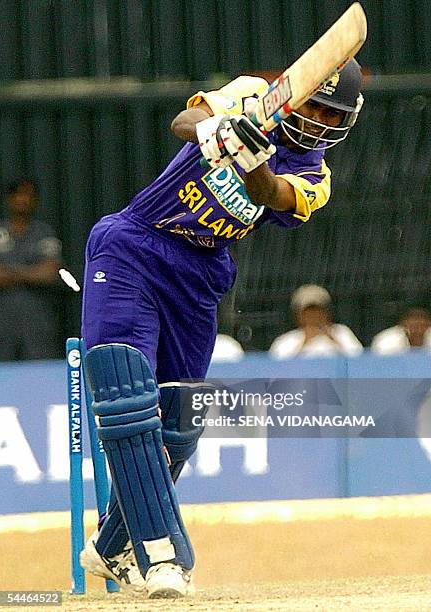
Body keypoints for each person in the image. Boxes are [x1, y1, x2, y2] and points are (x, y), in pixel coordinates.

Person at [79, 60, 364, 598]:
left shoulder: (316, 173)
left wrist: (251, 157)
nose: (321, 119)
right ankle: (165, 556)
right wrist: (220, 129)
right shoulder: (255, 94)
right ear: (293, 94)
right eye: (314, 105)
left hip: (201, 271)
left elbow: (272, 197)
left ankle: (111, 544)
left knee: (180, 420)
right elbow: (184, 124)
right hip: (135, 245)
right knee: (124, 392)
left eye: (334, 113)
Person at [0, 179, 62, 361]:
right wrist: (30, 272)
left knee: (41, 375)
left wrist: (10, 272)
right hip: (3, 325)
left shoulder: (44, 233)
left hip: (37, 324)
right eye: (18, 194)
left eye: (28, 195)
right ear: (8, 199)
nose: (23, 199)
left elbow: (49, 273)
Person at [269, 284, 363, 359]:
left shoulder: (341, 333)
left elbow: (360, 362)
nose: (314, 316)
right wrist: (304, 342)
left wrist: (334, 339)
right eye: (308, 312)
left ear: (327, 313)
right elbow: (278, 370)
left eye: (318, 311)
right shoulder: (286, 341)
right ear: (299, 316)